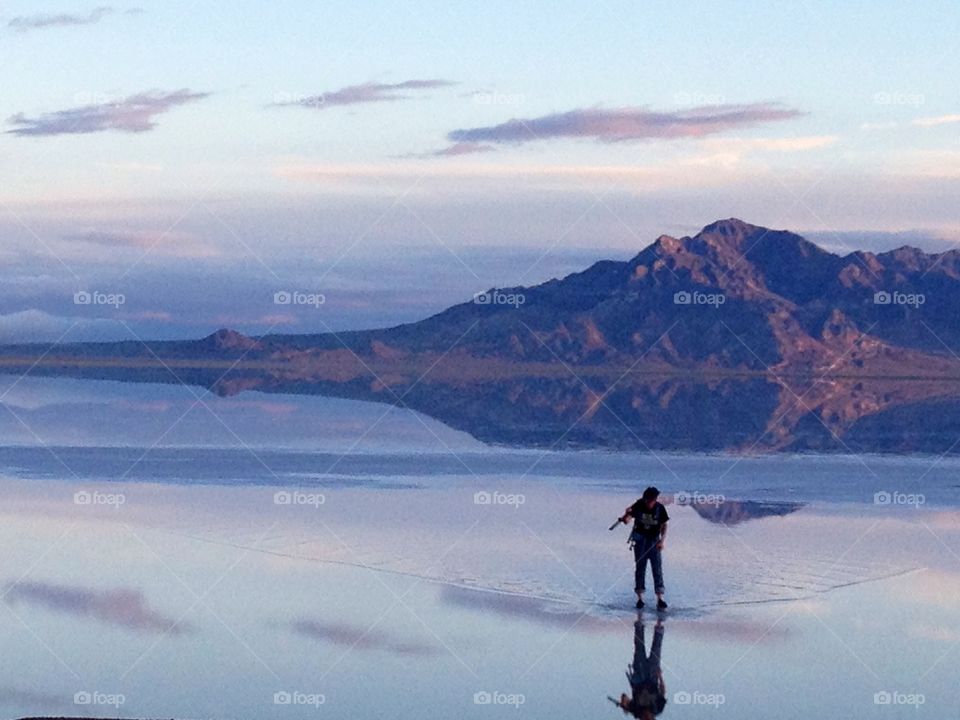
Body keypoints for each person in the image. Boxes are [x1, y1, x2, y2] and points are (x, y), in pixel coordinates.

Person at [619, 486, 669, 610]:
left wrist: (662, 541)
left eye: (651, 500)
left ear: (655, 499)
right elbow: (627, 520)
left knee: (657, 569)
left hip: (654, 541)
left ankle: (660, 598)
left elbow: (664, 526)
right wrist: (626, 514)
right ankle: (640, 598)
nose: (648, 502)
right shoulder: (638, 505)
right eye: (647, 500)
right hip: (640, 540)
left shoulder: (659, 508)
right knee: (640, 568)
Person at [609, 616, 667, 718]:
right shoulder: (658, 708)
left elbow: (624, 696)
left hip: (639, 678)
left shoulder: (635, 710)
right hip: (653, 677)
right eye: (649, 718)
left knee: (639, 646)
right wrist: (660, 676)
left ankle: (639, 619)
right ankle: (659, 619)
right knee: (657, 648)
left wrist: (624, 704)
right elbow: (662, 691)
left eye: (644, 719)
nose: (646, 717)